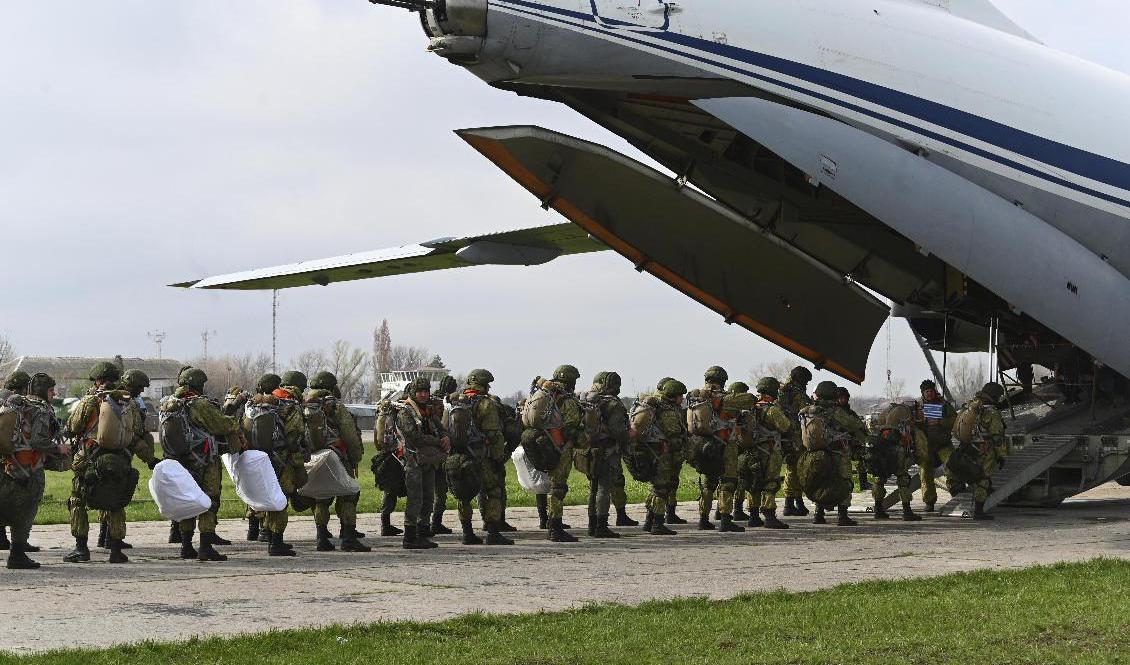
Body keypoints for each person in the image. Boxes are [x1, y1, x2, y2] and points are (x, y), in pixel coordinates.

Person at [64, 362, 157, 564]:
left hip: (89, 459)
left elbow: (72, 427)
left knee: (78, 500)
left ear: (98, 380)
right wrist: (150, 459)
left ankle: (81, 549)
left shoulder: (90, 401)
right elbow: (136, 436)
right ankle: (116, 551)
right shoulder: (129, 403)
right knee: (116, 503)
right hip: (120, 460)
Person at [162, 366, 244, 562]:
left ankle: (186, 546)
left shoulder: (170, 403)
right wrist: (234, 420)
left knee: (188, 500)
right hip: (204, 460)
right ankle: (206, 547)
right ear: (198, 384)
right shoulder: (198, 404)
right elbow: (221, 424)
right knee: (209, 500)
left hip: (180, 460)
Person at [0, 372, 67, 569]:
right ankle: (17, 555)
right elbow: (38, 441)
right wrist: (59, 449)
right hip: (30, 470)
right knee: (25, 512)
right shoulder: (41, 411)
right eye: (51, 390)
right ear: (42, 391)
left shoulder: (15, 406)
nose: (53, 394)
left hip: (7, 466)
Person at [306, 371, 370, 552]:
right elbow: (349, 433)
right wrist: (356, 457)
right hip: (337, 456)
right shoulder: (335, 406)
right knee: (349, 495)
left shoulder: (304, 404)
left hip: (314, 458)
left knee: (321, 499)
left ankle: (321, 538)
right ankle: (348, 538)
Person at [244, 373, 306, 556]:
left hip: (258, 460)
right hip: (281, 460)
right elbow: (294, 438)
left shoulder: (254, 406)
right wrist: (298, 464)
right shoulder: (290, 407)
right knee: (281, 499)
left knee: (268, 496)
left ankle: (268, 536)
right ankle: (276, 542)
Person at [451, 369, 512, 545]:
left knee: (464, 495)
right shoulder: (486, 404)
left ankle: (467, 533)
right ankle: (493, 532)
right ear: (484, 384)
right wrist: (498, 456)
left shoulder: (455, 403)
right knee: (493, 492)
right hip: (482, 457)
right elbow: (493, 434)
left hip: (459, 457)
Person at [393, 377, 449, 549]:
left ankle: (423, 533)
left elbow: (440, 428)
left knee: (428, 497)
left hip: (428, 460)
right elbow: (414, 437)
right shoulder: (406, 412)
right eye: (420, 392)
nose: (423, 395)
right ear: (413, 392)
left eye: (426, 391)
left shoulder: (428, 410)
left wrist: (445, 437)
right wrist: (436, 441)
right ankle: (409, 537)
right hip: (413, 461)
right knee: (415, 498)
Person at [801, 381, 866, 527]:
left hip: (815, 453)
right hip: (837, 452)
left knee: (821, 481)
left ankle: (819, 514)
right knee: (845, 481)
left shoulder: (808, 411)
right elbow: (855, 424)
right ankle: (842, 516)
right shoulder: (835, 412)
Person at [580, 371, 630, 539]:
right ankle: (601, 526)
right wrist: (628, 436)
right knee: (604, 488)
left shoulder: (588, 401)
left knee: (593, 488)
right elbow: (619, 431)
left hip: (590, 451)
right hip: (607, 451)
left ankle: (592, 525)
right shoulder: (613, 404)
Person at [950, 382, 1008, 520]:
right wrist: (1001, 455)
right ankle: (979, 511)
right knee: (983, 478)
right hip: (985, 449)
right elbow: (997, 436)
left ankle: (960, 498)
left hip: (967, 446)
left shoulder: (969, 406)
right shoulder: (993, 412)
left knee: (968, 472)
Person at [743, 377, 791, 529]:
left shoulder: (751, 407)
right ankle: (769, 516)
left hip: (752, 451)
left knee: (754, 481)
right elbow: (785, 427)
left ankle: (753, 516)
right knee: (771, 482)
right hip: (770, 450)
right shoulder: (772, 410)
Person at [642, 379, 688, 535]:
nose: (682, 399)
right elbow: (673, 435)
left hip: (655, 452)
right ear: (671, 396)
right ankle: (657, 523)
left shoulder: (659, 406)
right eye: (680, 396)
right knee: (661, 489)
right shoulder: (667, 411)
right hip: (663, 454)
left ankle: (649, 521)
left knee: (655, 487)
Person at [544, 365, 584, 542]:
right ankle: (555, 528)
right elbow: (571, 429)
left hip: (547, 446)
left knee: (551, 486)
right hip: (561, 448)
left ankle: (549, 524)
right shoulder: (567, 400)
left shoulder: (548, 396)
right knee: (558, 488)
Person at [869, 401, 922, 521]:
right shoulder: (905, 413)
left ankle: (878, 509)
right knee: (903, 479)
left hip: (882, 448)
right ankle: (907, 511)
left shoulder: (887, 413)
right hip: (897, 450)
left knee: (880, 479)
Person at [0, 370, 34, 553]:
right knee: (15, 500)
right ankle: (18, 546)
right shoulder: (14, 403)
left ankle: (1, 538)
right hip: (7, 458)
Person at [915, 379, 956, 512]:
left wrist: (940, 421)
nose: (929, 394)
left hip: (943, 443)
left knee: (952, 465)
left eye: (931, 391)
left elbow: (954, 420)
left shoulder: (944, 405)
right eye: (926, 392)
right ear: (923, 393)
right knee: (925, 473)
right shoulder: (917, 407)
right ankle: (929, 501)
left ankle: (956, 493)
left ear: (934, 391)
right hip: (926, 446)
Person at [779, 366, 813, 516]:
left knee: (794, 469)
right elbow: (809, 412)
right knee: (794, 469)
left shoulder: (783, 391)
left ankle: (797, 502)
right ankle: (789, 504)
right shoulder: (798, 394)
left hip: (785, 435)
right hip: (795, 437)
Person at [836, 387, 871, 491]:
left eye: (845, 398)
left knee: (862, 457)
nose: (843, 400)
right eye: (841, 398)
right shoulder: (835, 412)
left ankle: (863, 482)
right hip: (838, 444)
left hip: (852, 444)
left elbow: (858, 425)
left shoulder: (850, 412)